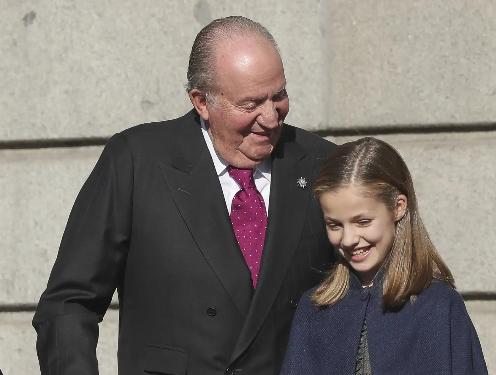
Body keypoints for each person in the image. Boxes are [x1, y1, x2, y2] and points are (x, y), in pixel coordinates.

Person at [33, 16, 335, 375]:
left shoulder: (322, 164)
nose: (270, 118)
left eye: (279, 96)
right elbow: (69, 304)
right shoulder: (137, 161)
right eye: (250, 103)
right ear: (201, 102)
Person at [280, 137, 488, 374]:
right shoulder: (314, 310)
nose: (348, 239)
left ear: (398, 207)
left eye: (363, 221)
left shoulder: (438, 306)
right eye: (335, 225)